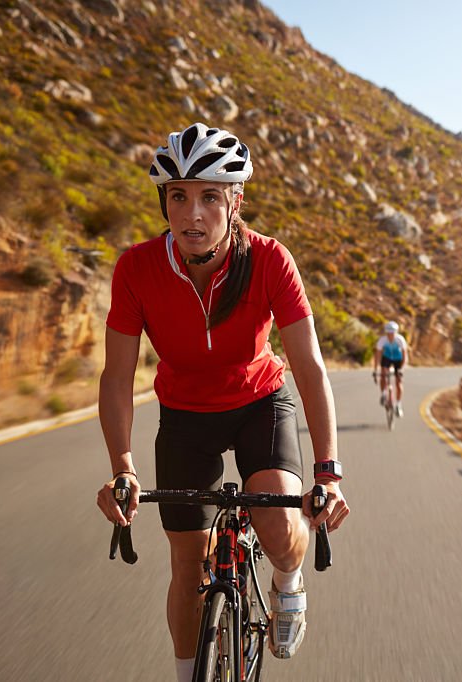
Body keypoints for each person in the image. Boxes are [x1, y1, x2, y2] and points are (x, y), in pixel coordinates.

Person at [94, 122, 349, 682]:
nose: (192, 215)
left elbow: (308, 367)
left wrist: (327, 473)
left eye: (210, 197)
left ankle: (288, 583)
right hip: (185, 418)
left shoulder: (270, 260)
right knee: (187, 568)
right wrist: (122, 469)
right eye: (178, 196)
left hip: (260, 402)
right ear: (164, 202)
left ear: (236, 202)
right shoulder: (136, 269)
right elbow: (117, 377)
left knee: (279, 525)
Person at [372, 321, 409, 417]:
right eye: (388, 333)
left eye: (392, 333)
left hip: (398, 359)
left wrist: (402, 369)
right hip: (387, 358)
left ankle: (398, 404)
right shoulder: (382, 340)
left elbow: (405, 357)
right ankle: (384, 394)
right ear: (386, 333)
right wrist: (376, 370)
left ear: (396, 333)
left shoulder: (400, 340)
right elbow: (377, 356)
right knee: (383, 373)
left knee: (399, 381)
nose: (390, 336)